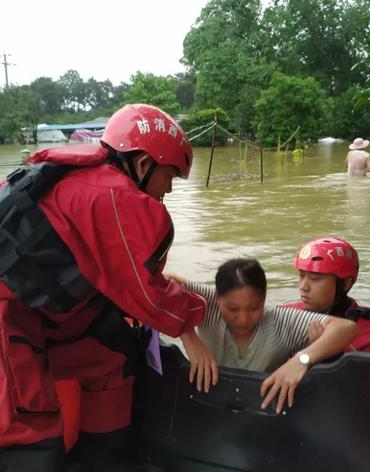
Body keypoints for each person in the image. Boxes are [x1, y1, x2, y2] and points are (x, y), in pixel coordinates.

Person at [0, 104, 217, 472]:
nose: (168, 189)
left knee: (113, 349)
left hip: (40, 313)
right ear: (144, 164)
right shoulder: (119, 198)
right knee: (31, 431)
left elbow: (118, 282)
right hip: (10, 321)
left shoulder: (82, 179)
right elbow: (147, 293)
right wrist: (194, 329)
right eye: (169, 176)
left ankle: (106, 459)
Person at [169, 258, 358, 414]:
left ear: (265, 298)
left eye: (253, 308)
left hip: (264, 410)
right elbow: (163, 283)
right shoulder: (207, 304)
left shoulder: (281, 321)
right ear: (217, 298)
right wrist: (188, 334)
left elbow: (347, 328)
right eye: (232, 309)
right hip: (211, 403)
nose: (243, 319)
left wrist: (302, 360)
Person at [286, 237, 370, 354]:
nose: (303, 287)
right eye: (301, 276)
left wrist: (323, 352)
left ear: (345, 284)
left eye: (315, 279)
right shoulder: (288, 315)